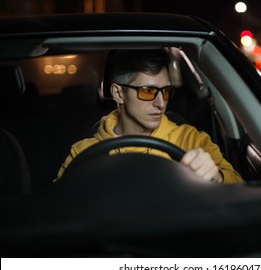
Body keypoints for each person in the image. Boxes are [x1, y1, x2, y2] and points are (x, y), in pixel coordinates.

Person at [55, 49, 243, 184]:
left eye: (166, 91)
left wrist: (216, 176)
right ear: (118, 94)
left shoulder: (190, 140)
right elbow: (56, 209)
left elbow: (239, 188)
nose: (160, 103)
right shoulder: (85, 153)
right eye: (148, 91)